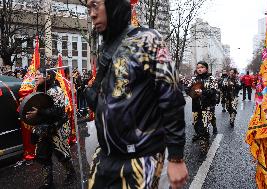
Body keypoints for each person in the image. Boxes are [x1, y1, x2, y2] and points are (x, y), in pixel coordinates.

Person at [86, 0, 188, 188]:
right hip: (105, 158)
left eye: (95, 5)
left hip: (141, 160)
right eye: (88, 7)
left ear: (113, 5)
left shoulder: (149, 40)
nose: (92, 13)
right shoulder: (105, 49)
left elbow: (171, 97)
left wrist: (175, 157)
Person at [26, 67, 76, 188]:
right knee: (43, 156)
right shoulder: (38, 91)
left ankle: (71, 173)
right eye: (35, 74)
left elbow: (58, 111)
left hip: (58, 127)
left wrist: (39, 112)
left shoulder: (56, 90)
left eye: (38, 74)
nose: (35, 76)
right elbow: (36, 110)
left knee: (62, 154)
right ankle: (48, 183)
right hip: (44, 129)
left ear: (47, 76)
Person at [181, 61, 218, 151]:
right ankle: (201, 136)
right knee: (196, 125)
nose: (199, 69)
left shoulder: (212, 79)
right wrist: (192, 92)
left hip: (208, 106)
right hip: (196, 106)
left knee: (204, 125)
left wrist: (203, 92)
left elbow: (214, 91)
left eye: (201, 67)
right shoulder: (194, 79)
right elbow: (187, 89)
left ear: (206, 68)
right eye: (198, 68)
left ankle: (204, 142)